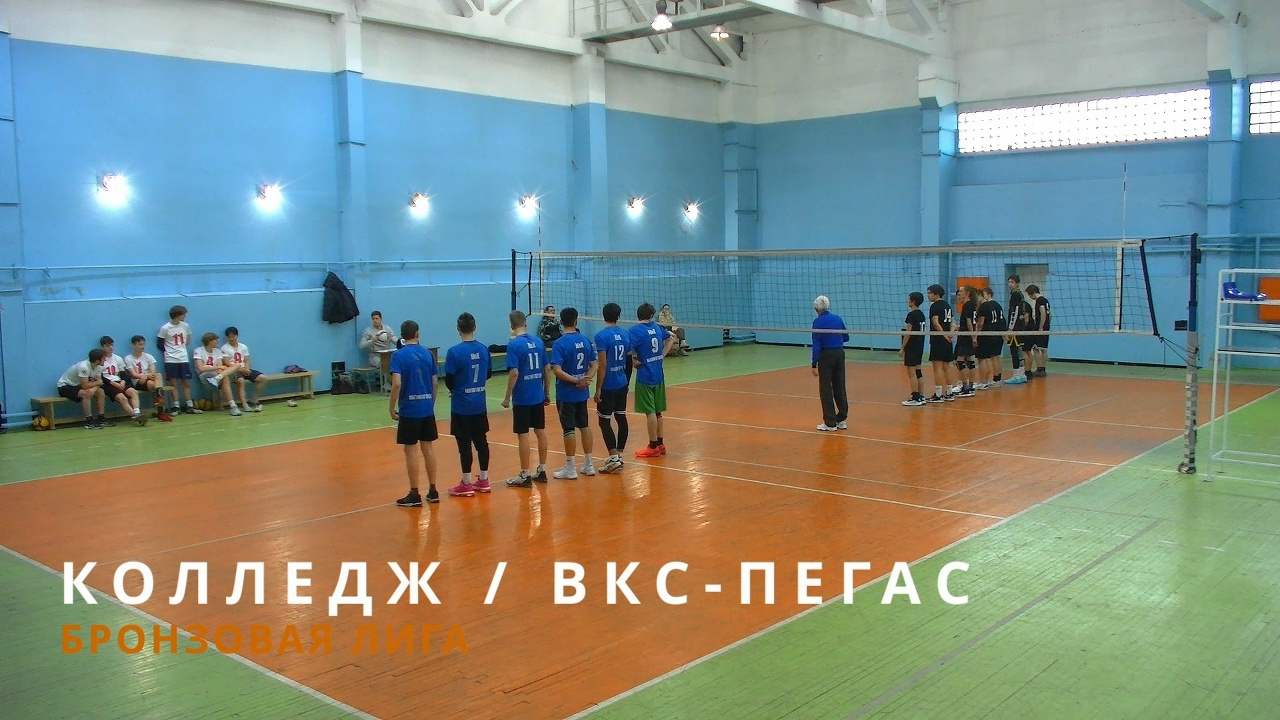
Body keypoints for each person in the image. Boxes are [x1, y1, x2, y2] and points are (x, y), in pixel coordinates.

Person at [389, 320, 441, 506]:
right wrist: (430, 402)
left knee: (410, 450)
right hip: (426, 407)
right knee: (428, 448)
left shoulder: (398, 356)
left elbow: (397, 383)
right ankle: (433, 490)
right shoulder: (428, 354)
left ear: (402, 336)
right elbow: (435, 383)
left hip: (409, 409)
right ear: (417, 333)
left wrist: (391, 406)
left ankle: (414, 493)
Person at [444, 313, 492, 498]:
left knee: (464, 445)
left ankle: (466, 483)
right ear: (475, 327)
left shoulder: (454, 352)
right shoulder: (483, 349)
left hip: (461, 406)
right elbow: (488, 374)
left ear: (458, 328)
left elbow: (449, 380)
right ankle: (484, 480)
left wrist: (459, 389)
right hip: (479, 405)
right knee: (481, 442)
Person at [503, 311, 552, 488]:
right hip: (537, 396)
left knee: (523, 435)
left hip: (522, 398)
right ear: (525, 323)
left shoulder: (514, 345)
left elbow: (514, 373)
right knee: (540, 431)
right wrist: (546, 392)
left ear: (511, 325)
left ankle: (524, 474)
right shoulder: (538, 341)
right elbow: (547, 368)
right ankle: (542, 470)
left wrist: (507, 397)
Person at [550, 307, 598, 479]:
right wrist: (585, 380)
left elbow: (557, 370)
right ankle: (589, 464)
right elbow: (594, 365)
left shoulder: (560, 343)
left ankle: (570, 467)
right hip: (582, 393)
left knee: (568, 428)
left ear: (561, 322)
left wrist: (575, 381)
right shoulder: (585, 340)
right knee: (584, 426)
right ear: (576, 320)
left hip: (566, 393)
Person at [629, 303, 676, 458]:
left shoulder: (635, 331)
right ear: (651, 316)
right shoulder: (656, 327)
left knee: (649, 412)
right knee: (658, 412)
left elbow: (626, 350)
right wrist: (662, 355)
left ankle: (653, 445)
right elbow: (671, 337)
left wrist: (633, 361)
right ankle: (661, 444)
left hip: (645, 376)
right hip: (658, 375)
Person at [593, 302, 633, 474]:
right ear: (618, 316)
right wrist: (627, 382)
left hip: (608, 385)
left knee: (604, 420)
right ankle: (619, 455)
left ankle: (614, 458)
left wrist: (598, 388)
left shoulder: (601, 336)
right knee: (621, 417)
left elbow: (602, 364)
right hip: (622, 383)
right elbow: (629, 361)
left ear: (603, 316)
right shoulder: (625, 335)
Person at [811, 295, 850, 430]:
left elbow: (816, 345)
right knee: (840, 385)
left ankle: (830, 423)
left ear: (816, 308)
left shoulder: (817, 322)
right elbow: (846, 337)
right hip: (839, 354)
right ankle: (842, 419)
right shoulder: (837, 318)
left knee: (826, 388)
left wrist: (814, 363)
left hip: (826, 356)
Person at [158, 305, 200, 415]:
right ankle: (176, 407)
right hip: (170, 359)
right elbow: (160, 344)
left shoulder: (185, 326)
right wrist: (170, 351)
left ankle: (189, 405)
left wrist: (180, 349)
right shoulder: (165, 328)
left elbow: (188, 340)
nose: (185, 316)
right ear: (177, 315)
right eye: (183, 314)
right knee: (173, 383)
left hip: (183, 358)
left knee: (186, 382)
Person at [99, 336, 145, 425]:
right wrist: (113, 384)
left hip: (119, 381)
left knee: (133, 392)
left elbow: (123, 373)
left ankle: (137, 412)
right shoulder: (101, 359)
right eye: (108, 346)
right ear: (103, 347)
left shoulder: (118, 358)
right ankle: (136, 417)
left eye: (112, 345)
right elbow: (100, 377)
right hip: (108, 384)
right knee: (122, 398)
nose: (110, 347)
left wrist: (123, 381)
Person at [56, 348, 107, 429]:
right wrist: (96, 384)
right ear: (98, 360)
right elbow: (85, 386)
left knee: (100, 392)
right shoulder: (83, 367)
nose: (105, 360)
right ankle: (89, 421)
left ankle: (101, 418)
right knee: (86, 393)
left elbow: (99, 382)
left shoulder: (98, 367)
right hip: (65, 386)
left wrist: (94, 389)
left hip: (78, 386)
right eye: (104, 358)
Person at [193, 332, 242, 416]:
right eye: (215, 340)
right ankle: (233, 406)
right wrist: (217, 367)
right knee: (224, 377)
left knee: (237, 365)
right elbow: (201, 369)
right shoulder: (198, 351)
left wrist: (219, 369)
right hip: (205, 376)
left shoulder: (218, 351)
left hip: (217, 374)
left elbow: (220, 368)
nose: (217, 341)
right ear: (209, 341)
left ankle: (233, 405)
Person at [925, 284, 958, 403]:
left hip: (938, 339)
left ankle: (938, 395)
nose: (928, 296)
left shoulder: (935, 306)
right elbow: (953, 322)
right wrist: (950, 334)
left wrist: (944, 335)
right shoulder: (947, 305)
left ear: (936, 293)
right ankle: (949, 393)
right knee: (946, 367)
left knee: (937, 368)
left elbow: (935, 323)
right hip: (947, 340)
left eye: (929, 293)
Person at [126, 334, 171, 422]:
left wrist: (146, 376)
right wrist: (144, 376)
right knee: (157, 383)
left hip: (149, 379)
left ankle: (159, 402)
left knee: (158, 376)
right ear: (133, 345)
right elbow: (133, 374)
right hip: (138, 382)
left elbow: (153, 371)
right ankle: (161, 410)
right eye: (140, 344)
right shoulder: (129, 358)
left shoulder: (148, 356)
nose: (142, 346)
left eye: (143, 344)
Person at [221, 327, 265, 412]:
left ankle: (254, 398)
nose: (231, 339)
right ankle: (244, 404)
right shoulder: (224, 348)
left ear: (237, 336)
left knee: (263, 378)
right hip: (233, 370)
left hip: (244, 368)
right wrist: (238, 369)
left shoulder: (243, 346)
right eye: (229, 337)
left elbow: (247, 359)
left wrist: (247, 368)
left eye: (233, 336)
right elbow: (226, 362)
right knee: (241, 381)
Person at [899, 292, 927, 407]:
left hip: (912, 346)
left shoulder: (912, 315)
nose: (907, 301)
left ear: (913, 301)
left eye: (909, 299)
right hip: (919, 345)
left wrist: (902, 348)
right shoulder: (921, 314)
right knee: (918, 371)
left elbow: (908, 332)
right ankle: (921, 396)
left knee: (911, 373)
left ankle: (915, 397)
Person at [976, 287, 1006, 388]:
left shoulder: (986, 306)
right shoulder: (997, 305)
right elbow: (1002, 320)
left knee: (989, 357)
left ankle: (989, 380)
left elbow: (981, 323)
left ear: (988, 294)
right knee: (996, 356)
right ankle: (997, 378)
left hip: (989, 333)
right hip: (998, 333)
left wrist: (976, 335)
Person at [953, 287, 979, 397]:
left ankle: (965, 388)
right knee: (970, 360)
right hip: (967, 334)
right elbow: (973, 323)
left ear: (967, 293)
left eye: (961, 292)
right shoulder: (973, 305)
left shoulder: (967, 305)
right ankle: (971, 386)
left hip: (965, 336)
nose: (959, 293)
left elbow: (969, 322)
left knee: (959, 361)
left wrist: (973, 337)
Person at [1004, 275, 1029, 384]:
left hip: (1015, 328)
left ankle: (1016, 375)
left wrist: (1010, 328)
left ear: (1017, 283)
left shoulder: (1015, 295)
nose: (1010, 284)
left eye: (1012, 282)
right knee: (1020, 351)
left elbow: (1015, 312)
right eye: (1009, 282)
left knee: (1014, 351)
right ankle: (1022, 374)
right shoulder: (1020, 294)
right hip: (1020, 327)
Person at [1027, 285, 1051, 377]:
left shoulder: (1040, 300)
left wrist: (1041, 327)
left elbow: (1043, 313)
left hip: (1040, 327)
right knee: (1044, 349)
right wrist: (1047, 324)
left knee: (1035, 348)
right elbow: (1050, 315)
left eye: (1029, 295)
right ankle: (1043, 369)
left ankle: (1040, 368)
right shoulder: (1046, 300)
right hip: (1046, 326)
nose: (1030, 297)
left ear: (1033, 293)